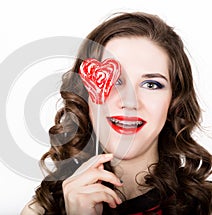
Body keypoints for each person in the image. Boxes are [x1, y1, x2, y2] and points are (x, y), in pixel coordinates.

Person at [21, 12, 212, 214]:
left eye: (151, 84)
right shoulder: (40, 210)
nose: (130, 102)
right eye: (115, 81)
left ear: (174, 102)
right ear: (85, 95)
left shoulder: (206, 205)